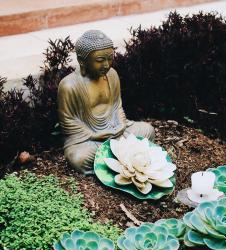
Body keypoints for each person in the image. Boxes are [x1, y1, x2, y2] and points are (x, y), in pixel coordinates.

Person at [58, 30, 155, 174]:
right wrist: (94, 135)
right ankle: (127, 159)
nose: (106, 64)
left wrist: (121, 124)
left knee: (147, 131)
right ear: (82, 61)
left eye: (110, 58)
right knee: (79, 158)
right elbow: (68, 121)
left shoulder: (112, 75)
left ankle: (116, 160)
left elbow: (116, 106)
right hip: (89, 138)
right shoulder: (69, 85)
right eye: (99, 60)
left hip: (116, 130)